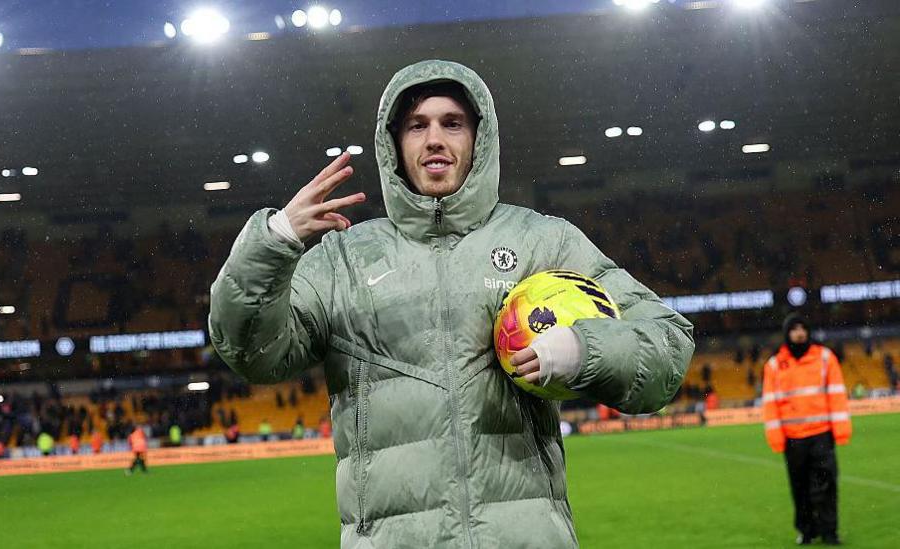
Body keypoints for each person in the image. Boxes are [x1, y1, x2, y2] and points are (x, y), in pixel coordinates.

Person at [209, 59, 693, 547]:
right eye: (417, 126)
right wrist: (273, 242)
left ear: (478, 140)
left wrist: (583, 349)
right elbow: (254, 354)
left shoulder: (541, 242)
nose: (434, 139)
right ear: (395, 145)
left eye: (452, 123)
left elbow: (667, 345)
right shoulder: (342, 260)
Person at [762, 314, 851, 546]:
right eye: (794, 329)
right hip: (793, 440)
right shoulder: (774, 365)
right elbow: (770, 404)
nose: (799, 333)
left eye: (803, 328)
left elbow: (837, 395)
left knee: (827, 485)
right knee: (799, 489)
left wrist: (840, 430)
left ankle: (830, 532)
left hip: (821, 435)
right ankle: (807, 531)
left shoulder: (825, 357)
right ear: (787, 333)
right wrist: (775, 437)